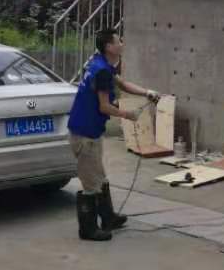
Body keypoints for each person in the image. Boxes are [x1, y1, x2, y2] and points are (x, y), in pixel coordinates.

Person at [67, 29, 160, 242]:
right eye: (119, 41)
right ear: (109, 47)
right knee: (91, 184)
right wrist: (128, 115)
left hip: (90, 131)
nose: (122, 43)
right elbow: (104, 106)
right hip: (84, 135)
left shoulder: (101, 64)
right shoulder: (101, 71)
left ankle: (108, 217)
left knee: (100, 178)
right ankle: (88, 230)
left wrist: (147, 92)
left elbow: (123, 84)